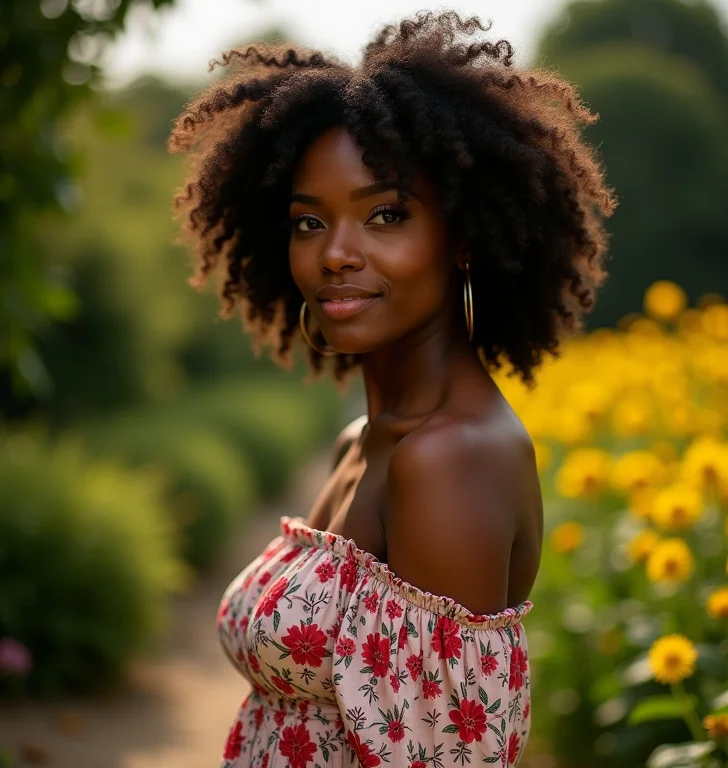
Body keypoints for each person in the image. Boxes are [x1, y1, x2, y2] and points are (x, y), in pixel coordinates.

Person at [169, 10, 616, 767]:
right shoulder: (366, 440)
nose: (336, 254)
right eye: (308, 223)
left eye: (386, 215)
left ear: (463, 236)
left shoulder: (451, 461)